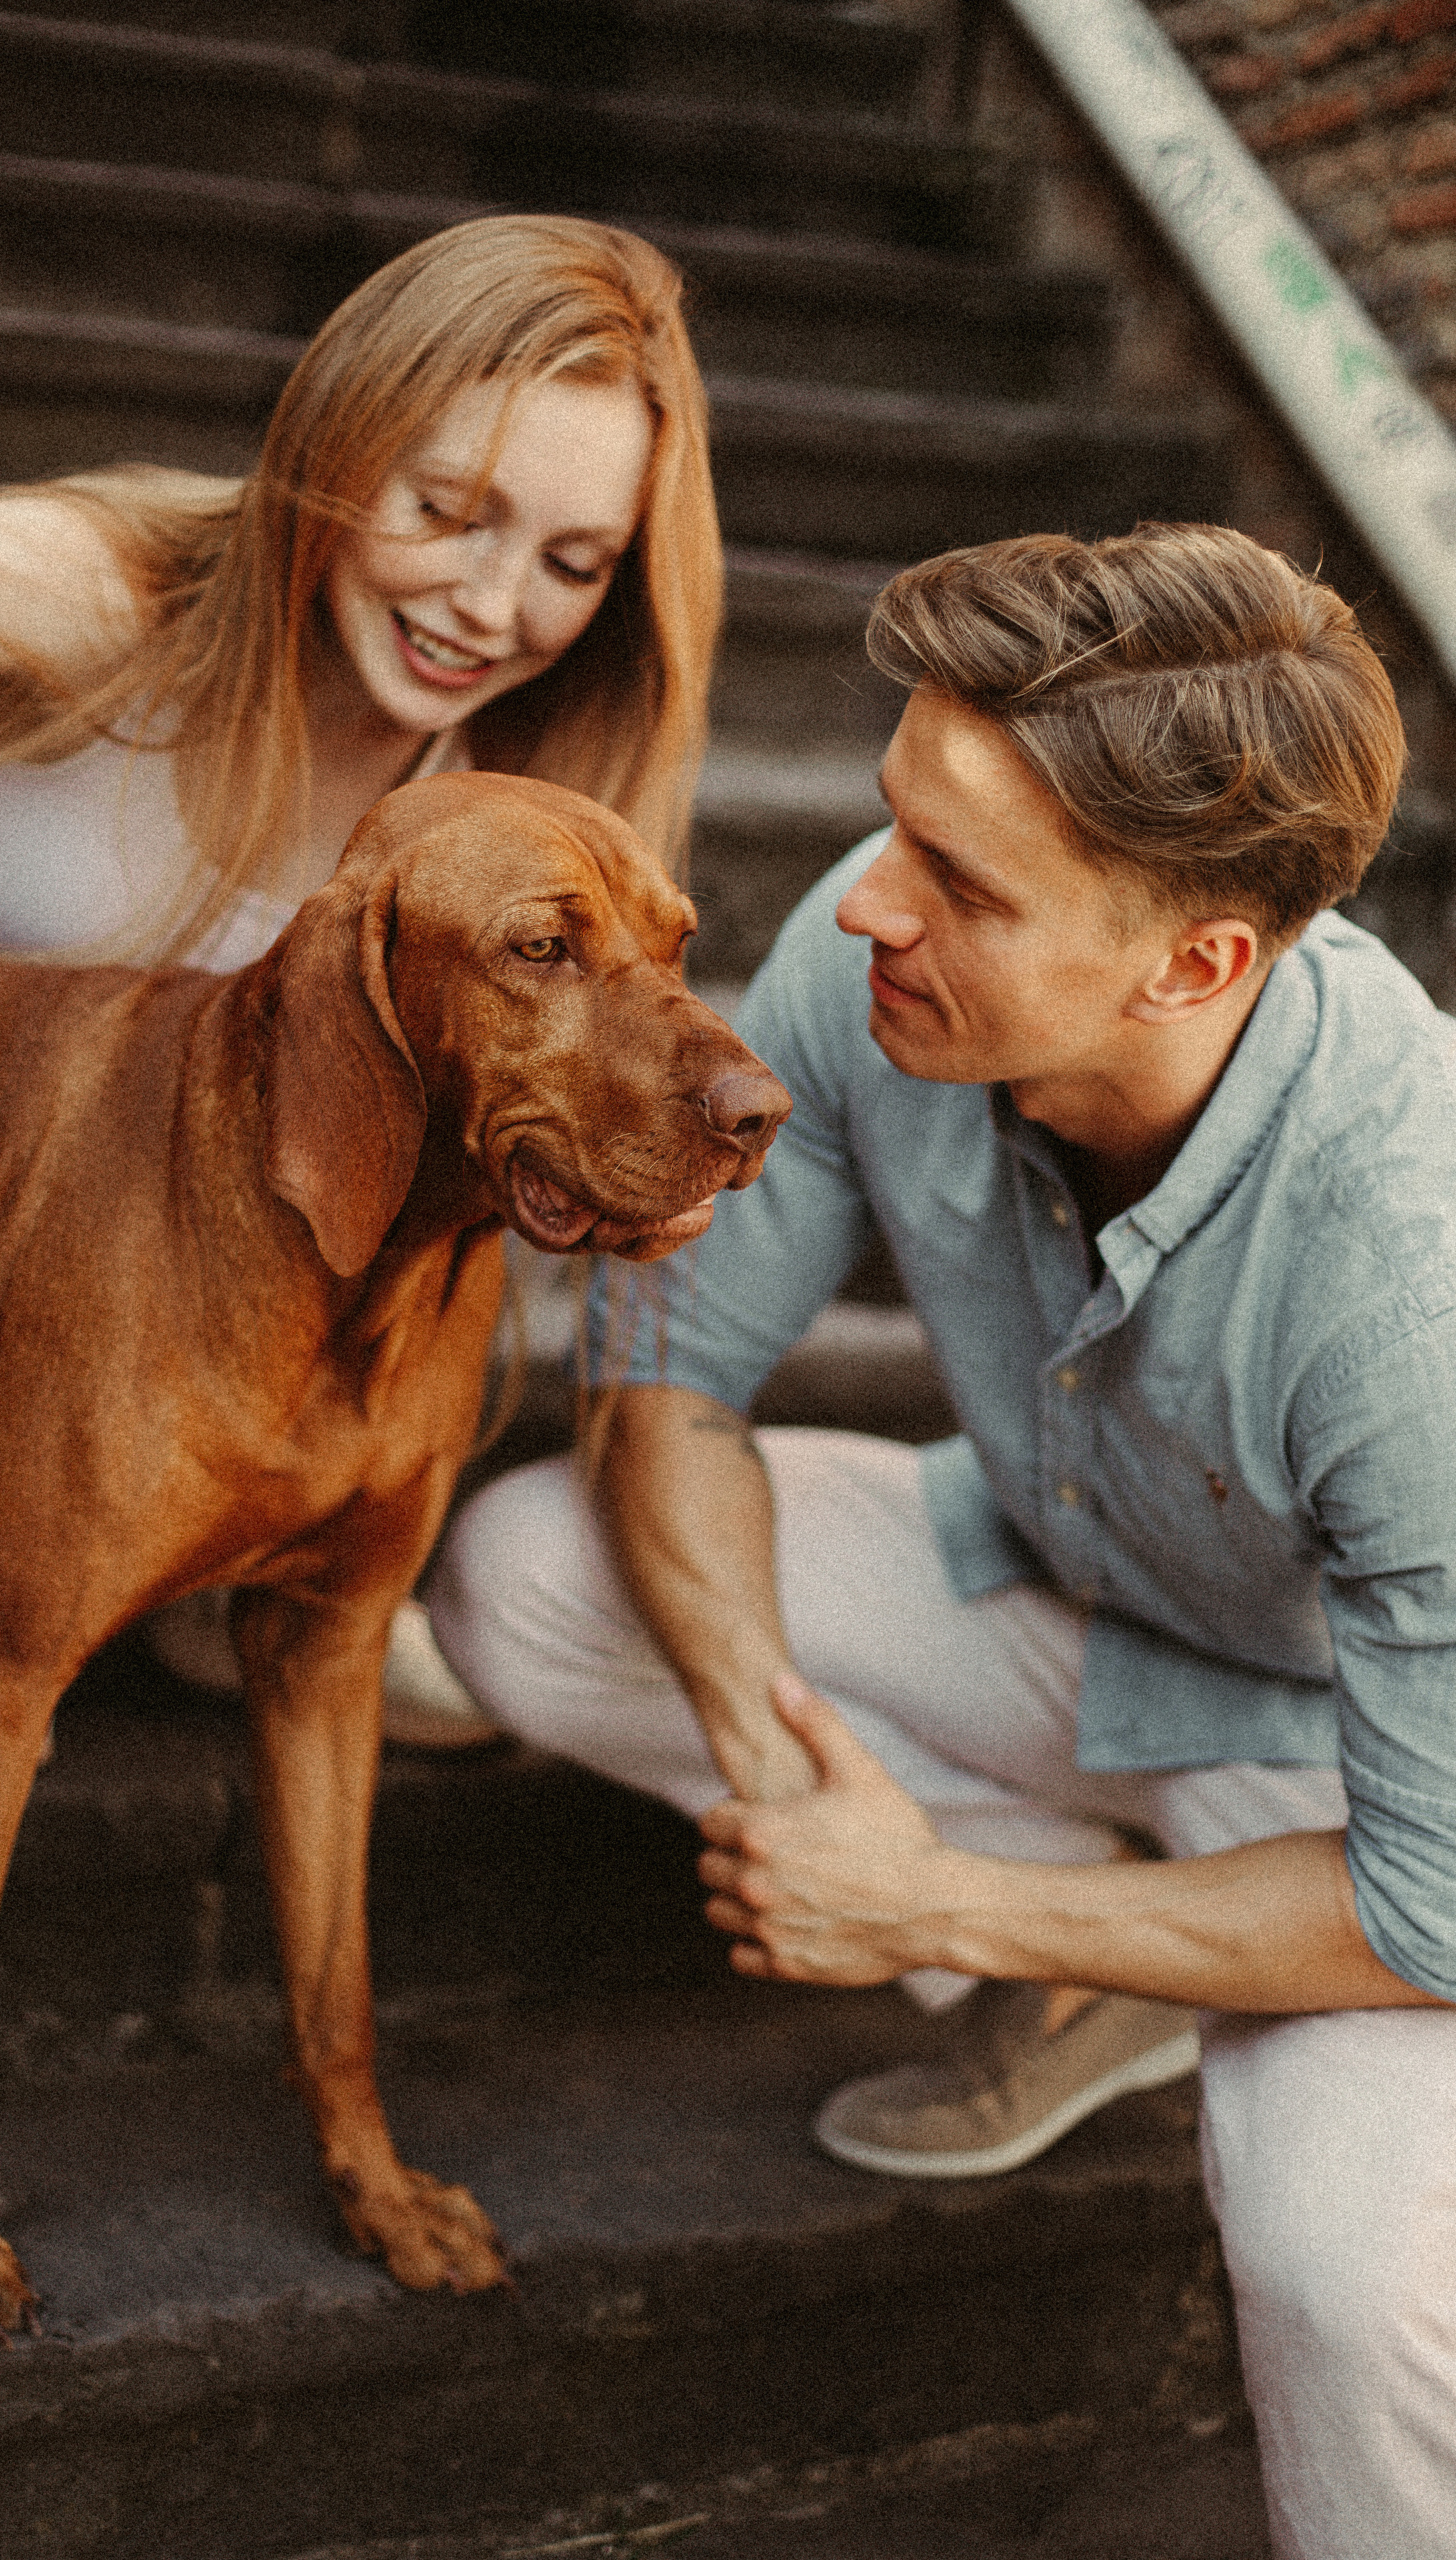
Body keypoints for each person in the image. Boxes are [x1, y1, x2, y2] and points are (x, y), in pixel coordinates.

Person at [429, 523, 1456, 2560]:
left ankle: (1094, 1937)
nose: (862, 903)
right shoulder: (867, 949)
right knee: (525, 1581)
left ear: (1193, 963)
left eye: (960, 882)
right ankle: (1128, 1951)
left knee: (1357, 2285)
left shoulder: (1411, 1282)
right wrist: (785, 1758)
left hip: (1373, 1795)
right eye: (897, 821)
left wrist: (935, 1912)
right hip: (1078, 1596)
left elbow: (1431, 1911)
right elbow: (669, 1382)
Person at [0, 211, 722, 1753]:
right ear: (345, 436)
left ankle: (248, 1553)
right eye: (448, 507)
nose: (489, 602)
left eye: (570, 562)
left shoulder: (498, 797)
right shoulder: (101, 592)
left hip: (174, 1334)